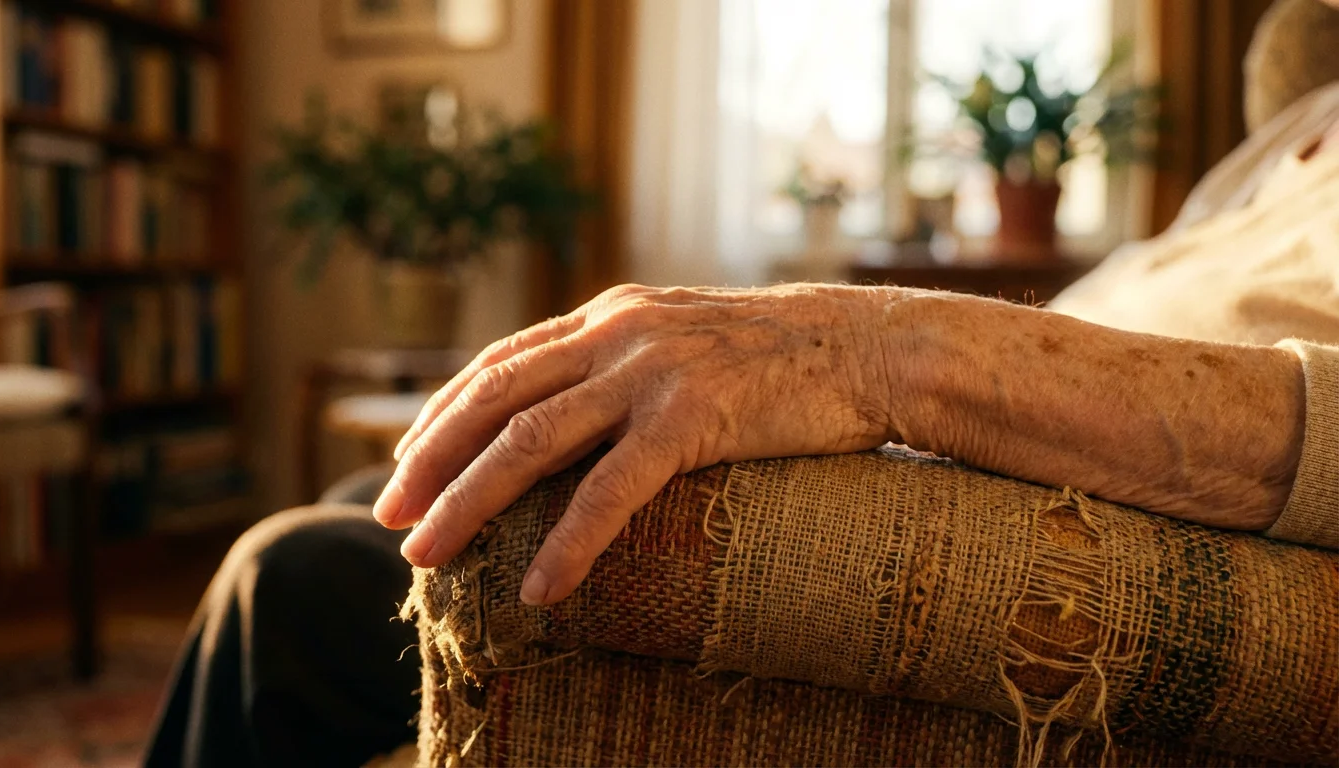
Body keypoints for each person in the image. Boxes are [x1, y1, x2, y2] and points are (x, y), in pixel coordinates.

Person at [146, 2, 1339, 764]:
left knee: (292, 585)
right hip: (948, 470)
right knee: (381, 490)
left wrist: (872, 347)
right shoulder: (1286, 126)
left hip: (1029, 530)